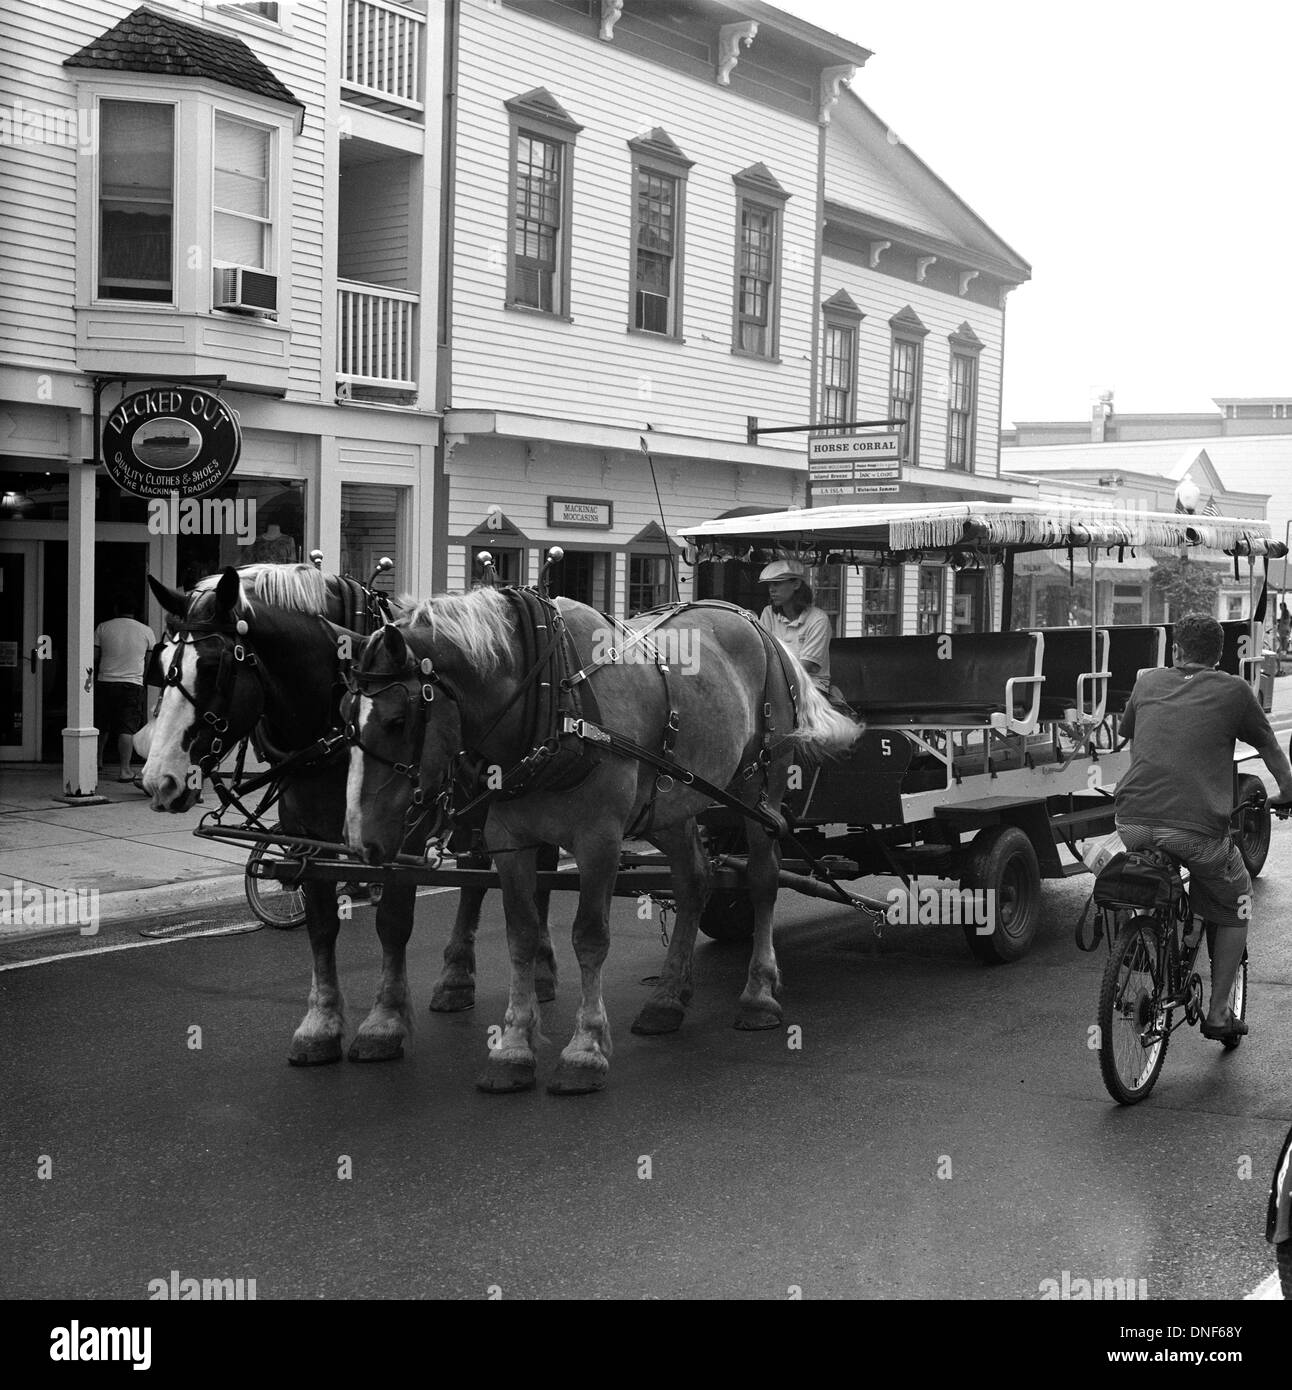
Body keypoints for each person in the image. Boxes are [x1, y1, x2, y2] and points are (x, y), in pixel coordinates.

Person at [1114, 613, 1292, 1040]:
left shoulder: (1147, 682)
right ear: (1220, 655)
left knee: (1158, 865)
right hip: (1194, 831)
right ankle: (1217, 1014)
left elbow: (1133, 737)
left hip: (1131, 821)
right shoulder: (1234, 690)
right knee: (1238, 901)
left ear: (1175, 650)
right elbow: (1268, 745)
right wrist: (1286, 793)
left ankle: (1148, 936)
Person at [94, 593, 156, 783]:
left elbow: (94, 657)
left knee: (101, 725)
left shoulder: (103, 627)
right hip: (132, 684)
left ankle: (96, 762)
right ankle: (124, 770)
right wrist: (142, 682)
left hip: (105, 681)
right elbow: (149, 662)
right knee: (126, 728)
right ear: (135, 611)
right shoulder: (146, 631)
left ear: (116, 608)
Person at [757, 559, 832, 696]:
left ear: (796, 584)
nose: (771, 589)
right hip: (775, 685)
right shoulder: (768, 613)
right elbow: (763, 655)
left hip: (812, 686)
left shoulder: (818, 619)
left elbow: (804, 667)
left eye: (777, 583)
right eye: (769, 585)